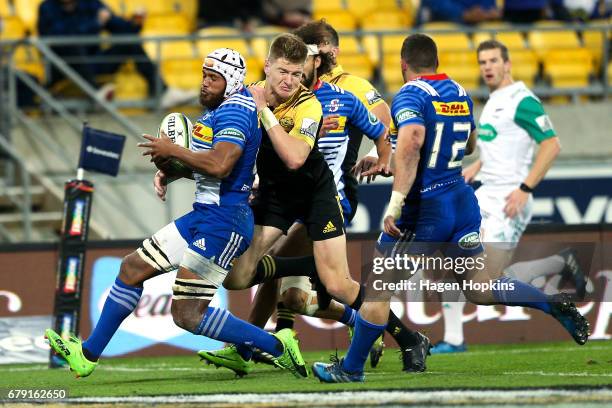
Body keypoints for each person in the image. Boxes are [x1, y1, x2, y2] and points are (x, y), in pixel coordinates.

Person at [312, 34, 590, 383]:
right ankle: (551, 302)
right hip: (461, 202)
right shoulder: (458, 91)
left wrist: (395, 204)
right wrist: (387, 157)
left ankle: (350, 369)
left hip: (425, 210)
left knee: (378, 286)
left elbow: (413, 142)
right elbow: (469, 142)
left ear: (403, 65)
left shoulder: (410, 94)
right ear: (437, 62)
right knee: (480, 288)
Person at [44, 48, 307, 379]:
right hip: (204, 216)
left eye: (214, 78)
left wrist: (173, 151)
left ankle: (278, 346)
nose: (204, 84)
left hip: (224, 223)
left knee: (187, 316)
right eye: (204, 76)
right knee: (131, 268)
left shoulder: (237, 112)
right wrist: (172, 168)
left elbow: (222, 165)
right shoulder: (220, 110)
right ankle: (87, 355)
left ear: (232, 82)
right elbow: (209, 166)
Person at [197, 41, 397, 375]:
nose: (290, 80)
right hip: (276, 195)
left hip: (316, 193)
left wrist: (265, 111)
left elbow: (294, 158)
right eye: (283, 72)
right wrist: (172, 165)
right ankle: (309, 266)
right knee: (236, 277)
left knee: (338, 286)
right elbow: (213, 131)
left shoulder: (309, 104)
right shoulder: (244, 94)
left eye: (296, 72)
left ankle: (379, 328)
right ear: (267, 67)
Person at [430, 39, 586, 354]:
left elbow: (551, 144)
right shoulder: (495, 101)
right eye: (482, 62)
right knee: (455, 265)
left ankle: (553, 300)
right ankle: (455, 338)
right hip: (485, 194)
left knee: (485, 283)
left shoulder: (522, 100)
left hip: (507, 200)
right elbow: (497, 149)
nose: (487, 67)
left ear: (507, 63)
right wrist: (476, 167)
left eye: (492, 61)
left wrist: (525, 189)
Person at [37, 0, 196, 108]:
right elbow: (58, 38)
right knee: (69, 44)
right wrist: (96, 24)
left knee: (129, 40)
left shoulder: (90, 3)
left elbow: (116, 25)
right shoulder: (46, 8)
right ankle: (95, 91)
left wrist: (134, 24)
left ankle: (162, 91)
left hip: (92, 63)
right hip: (62, 68)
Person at [418, 0, 500, 25]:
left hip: (480, 28)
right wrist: (463, 14)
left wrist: (487, 12)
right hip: (444, 31)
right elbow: (435, 4)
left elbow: (491, 6)